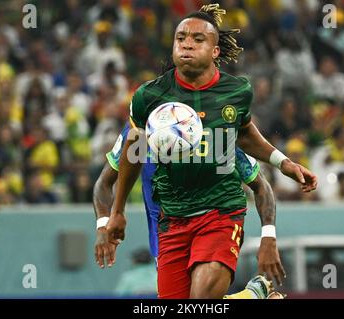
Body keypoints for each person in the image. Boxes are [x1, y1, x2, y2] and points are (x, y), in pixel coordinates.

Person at [105, 4, 316, 299]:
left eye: (197, 39)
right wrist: (117, 212)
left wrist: (284, 162)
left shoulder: (237, 91)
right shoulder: (149, 96)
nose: (187, 44)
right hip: (174, 220)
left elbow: (244, 134)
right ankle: (252, 296)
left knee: (202, 299)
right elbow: (133, 149)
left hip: (221, 212)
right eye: (181, 38)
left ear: (215, 51)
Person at [93, 122, 285, 298]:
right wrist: (103, 223)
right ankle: (253, 295)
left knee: (202, 297)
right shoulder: (141, 129)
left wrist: (268, 235)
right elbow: (104, 182)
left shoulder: (214, 128)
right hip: (166, 234)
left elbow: (261, 185)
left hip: (212, 222)